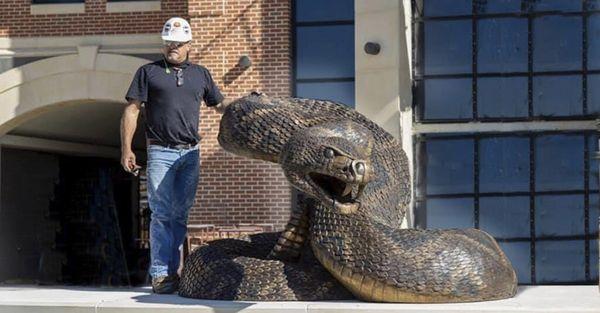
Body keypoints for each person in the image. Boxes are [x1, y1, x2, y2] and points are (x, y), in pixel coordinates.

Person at [120, 17, 230, 294]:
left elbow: (220, 104)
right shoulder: (148, 72)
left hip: (190, 154)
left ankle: (174, 273)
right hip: (160, 152)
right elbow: (132, 110)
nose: (173, 48)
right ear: (164, 44)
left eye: (179, 44)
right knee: (161, 214)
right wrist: (126, 148)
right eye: (169, 43)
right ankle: (160, 274)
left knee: (179, 215)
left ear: (189, 45)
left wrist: (246, 105)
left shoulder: (201, 74)